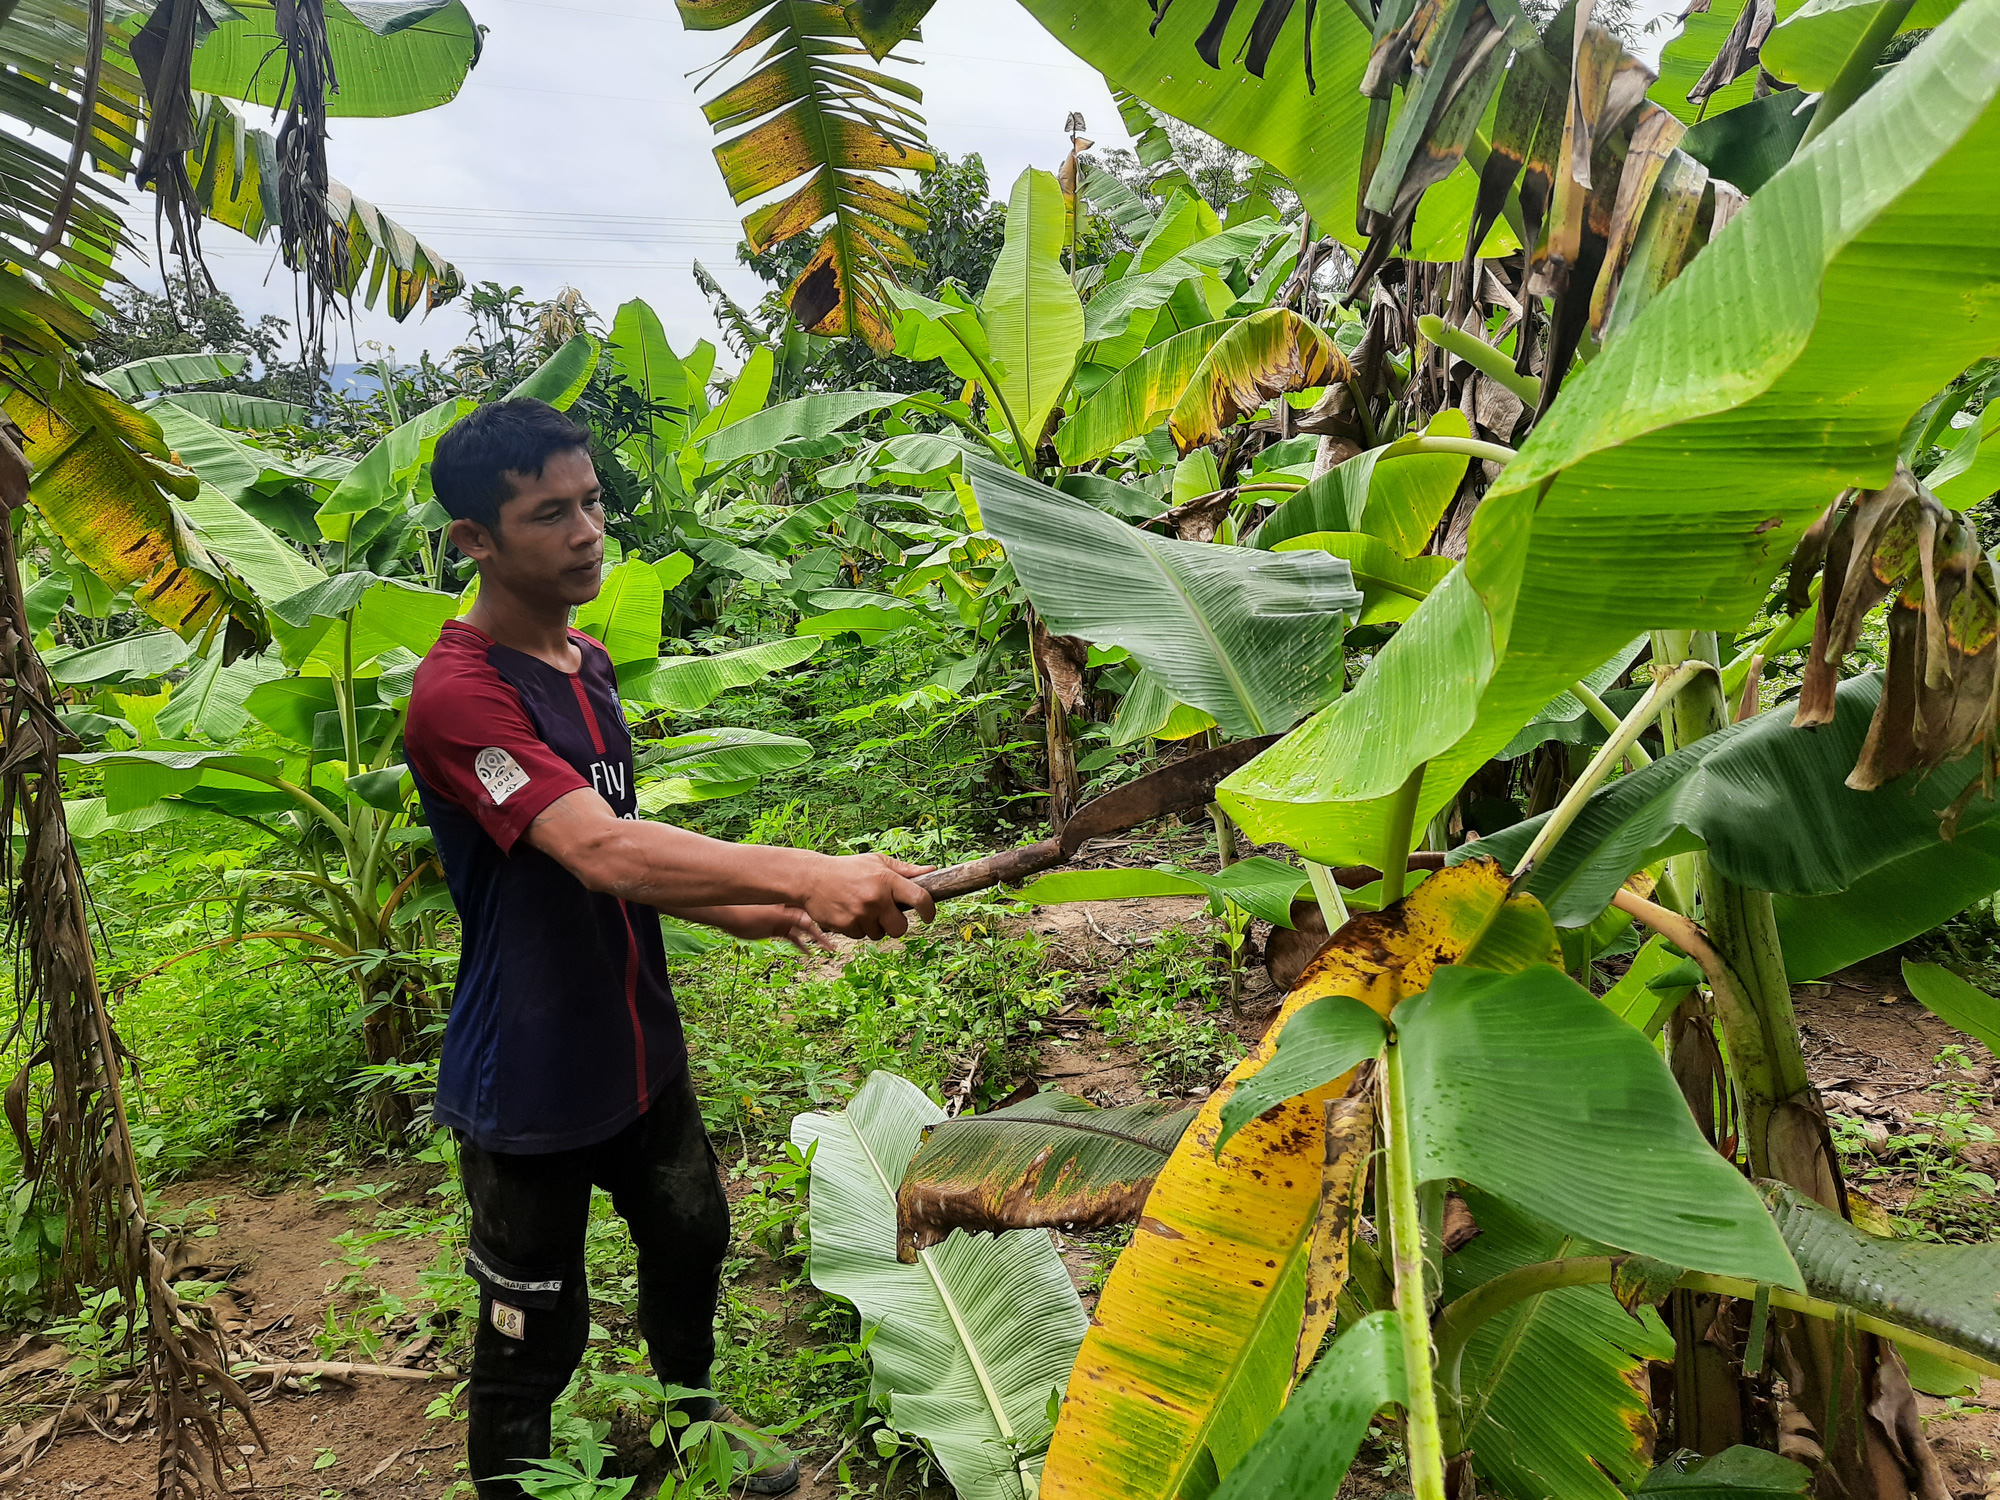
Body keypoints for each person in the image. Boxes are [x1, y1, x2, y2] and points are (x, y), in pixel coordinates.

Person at [405, 398, 936, 1499]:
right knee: (529, 1328)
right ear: (475, 541)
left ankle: (693, 1434)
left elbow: (629, 857)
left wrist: (755, 910)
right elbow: (598, 850)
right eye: (550, 513)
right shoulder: (460, 697)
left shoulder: (585, 663)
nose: (588, 530)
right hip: (531, 1076)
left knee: (690, 1247)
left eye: (591, 501)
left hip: (637, 1045)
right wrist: (804, 872)